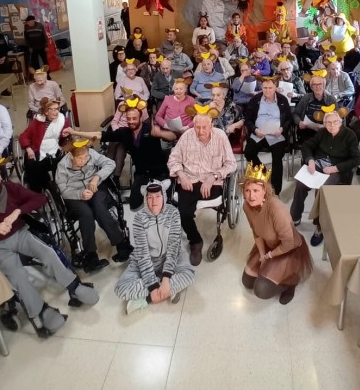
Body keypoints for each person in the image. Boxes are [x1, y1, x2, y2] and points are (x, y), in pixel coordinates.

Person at [0, 159, 99, 337]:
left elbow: (40, 198)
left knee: (47, 252)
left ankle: (73, 286)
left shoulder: (9, 188)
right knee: (18, 275)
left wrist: (18, 211)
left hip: (19, 234)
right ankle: (38, 311)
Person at [114, 179, 195, 314]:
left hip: (170, 257)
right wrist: (152, 285)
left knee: (189, 274)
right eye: (150, 197)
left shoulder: (173, 213)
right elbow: (143, 255)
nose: (154, 201)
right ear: (145, 199)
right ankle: (167, 290)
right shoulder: (139, 218)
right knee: (120, 288)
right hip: (146, 261)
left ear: (164, 197)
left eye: (157, 196)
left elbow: (173, 248)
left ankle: (146, 299)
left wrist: (166, 278)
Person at [168, 113, 236, 265]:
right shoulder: (187, 136)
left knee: (192, 204)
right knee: (183, 212)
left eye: (204, 127)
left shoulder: (220, 136)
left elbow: (231, 163)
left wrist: (213, 177)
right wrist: (182, 176)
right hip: (190, 180)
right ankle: (195, 241)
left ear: (211, 126)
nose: (200, 131)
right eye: (197, 127)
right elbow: (173, 159)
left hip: (213, 182)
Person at [55, 140, 132, 271]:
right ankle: (90, 255)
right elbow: (62, 189)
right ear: (71, 156)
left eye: (86, 157)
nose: (83, 161)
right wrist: (80, 194)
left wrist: (97, 177)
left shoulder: (91, 154)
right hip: (74, 194)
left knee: (99, 208)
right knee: (86, 213)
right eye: (79, 158)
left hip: (95, 187)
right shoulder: (62, 166)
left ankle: (121, 244)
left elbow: (110, 163)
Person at [242, 164, 312, 305]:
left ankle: (290, 284)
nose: (251, 196)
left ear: (264, 191)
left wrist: (269, 256)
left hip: (288, 248)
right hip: (269, 244)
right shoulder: (247, 206)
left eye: (256, 190)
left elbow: (289, 243)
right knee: (247, 282)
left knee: (261, 290)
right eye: (247, 190)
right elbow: (256, 232)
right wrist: (262, 254)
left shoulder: (276, 208)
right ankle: (272, 273)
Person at [290, 111, 360, 230]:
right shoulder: (322, 132)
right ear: (324, 124)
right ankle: (295, 217)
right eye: (328, 123)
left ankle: (319, 226)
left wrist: (335, 168)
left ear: (340, 122)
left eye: (335, 122)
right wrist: (310, 160)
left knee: (322, 190)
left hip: (336, 168)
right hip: (318, 164)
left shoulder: (350, 135)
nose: (332, 125)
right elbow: (307, 145)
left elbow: (356, 159)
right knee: (300, 185)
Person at [102, 100, 170, 209]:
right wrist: (77, 133)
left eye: (134, 118)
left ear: (141, 118)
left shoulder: (150, 128)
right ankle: (146, 193)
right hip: (141, 174)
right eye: (128, 119)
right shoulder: (125, 132)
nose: (131, 121)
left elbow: (172, 136)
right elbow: (102, 136)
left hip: (159, 172)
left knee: (161, 204)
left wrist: (161, 133)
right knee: (133, 205)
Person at [243, 77, 292, 196]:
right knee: (248, 152)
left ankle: (275, 191)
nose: (267, 90)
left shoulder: (282, 100)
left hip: (276, 135)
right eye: (265, 88)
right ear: (262, 87)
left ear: (275, 88)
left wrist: (282, 129)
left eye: (270, 88)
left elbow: (289, 119)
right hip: (259, 133)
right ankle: (264, 171)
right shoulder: (255, 99)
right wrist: (254, 129)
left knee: (277, 158)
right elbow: (248, 119)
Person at [19, 97, 72, 192]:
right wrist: (28, 148)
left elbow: (65, 140)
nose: (57, 112)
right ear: (46, 111)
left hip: (55, 152)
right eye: (54, 109)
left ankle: (57, 189)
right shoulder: (37, 122)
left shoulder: (63, 120)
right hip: (37, 152)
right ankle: (39, 192)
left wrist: (65, 136)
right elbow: (23, 136)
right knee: (34, 168)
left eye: (57, 109)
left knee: (60, 164)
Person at [107, 96, 150, 187]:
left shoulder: (141, 106)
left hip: (130, 133)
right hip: (119, 131)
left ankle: (116, 177)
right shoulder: (122, 104)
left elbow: (145, 121)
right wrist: (118, 133)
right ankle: (107, 174)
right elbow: (114, 122)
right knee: (112, 147)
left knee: (120, 150)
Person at [293, 74, 334, 143]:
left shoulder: (331, 100)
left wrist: (325, 126)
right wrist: (299, 122)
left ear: (324, 86)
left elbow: (337, 119)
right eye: (314, 85)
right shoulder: (306, 98)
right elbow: (295, 114)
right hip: (307, 130)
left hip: (325, 131)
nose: (317, 87)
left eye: (320, 84)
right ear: (311, 87)